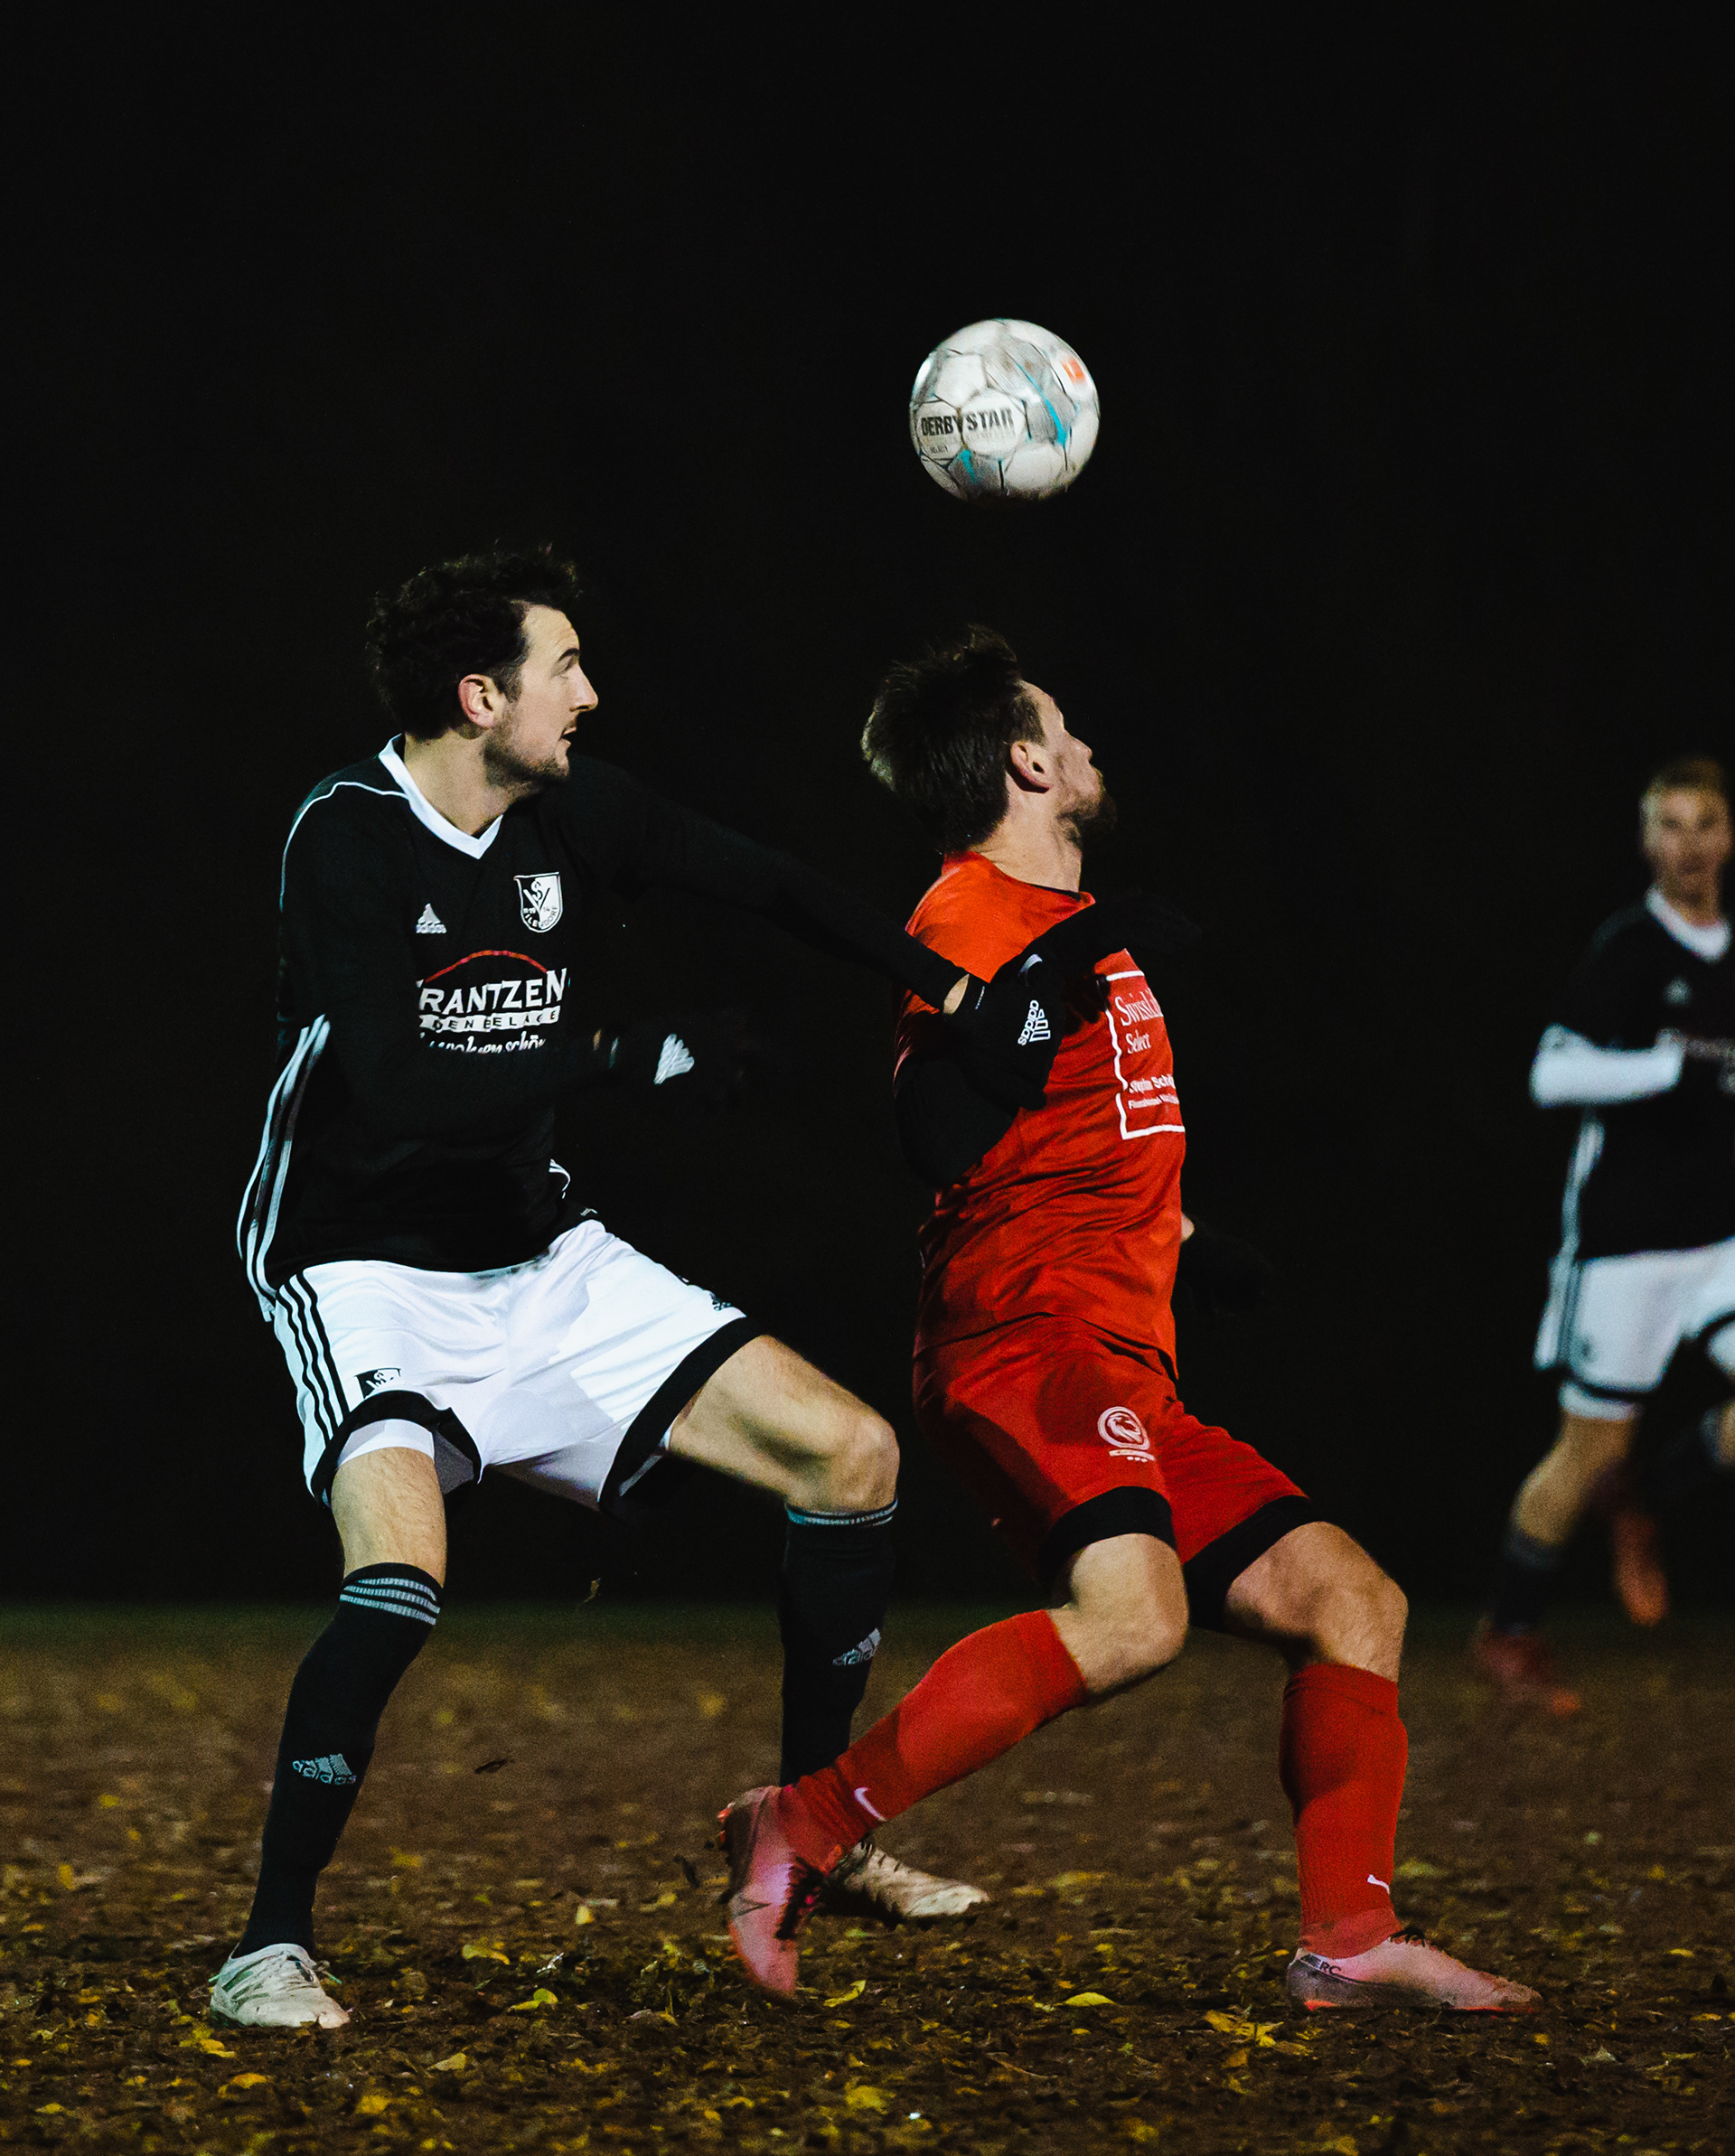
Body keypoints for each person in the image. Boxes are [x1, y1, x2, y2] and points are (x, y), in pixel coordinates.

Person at [213, 548, 1002, 2030]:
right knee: (399, 1584)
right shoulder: (348, 838)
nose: (588, 693)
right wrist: (614, 1058)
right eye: (563, 665)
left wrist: (947, 985)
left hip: (540, 1254)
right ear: (479, 695)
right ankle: (268, 1944)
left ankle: (803, 1830)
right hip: (363, 1268)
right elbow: (394, 1085)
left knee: (850, 1456)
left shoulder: (578, 811)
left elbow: (769, 884)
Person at [719, 628, 1537, 2014]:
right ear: (1028, 763)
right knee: (1134, 1615)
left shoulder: (1065, 926)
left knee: (1352, 1602)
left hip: (1122, 1356)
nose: (1089, 746)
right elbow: (935, 1130)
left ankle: (1346, 1938)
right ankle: (799, 1823)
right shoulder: (970, 915)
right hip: (1021, 1339)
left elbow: (1071, 1137)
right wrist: (1078, 951)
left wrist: (1190, 1242)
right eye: (1065, 726)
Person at [1473, 758, 1734, 1711]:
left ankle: (1651, 1498)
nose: (1689, 843)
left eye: (1705, 822)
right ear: (1646, 840)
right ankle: (1508, 1629)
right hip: (1625, 1247)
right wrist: (1664, 1067)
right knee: (1584, 1454)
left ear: (1728, 836)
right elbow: (1551, 1075)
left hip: (1722, 1243)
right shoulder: (1628, 949)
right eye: (1671, 824)